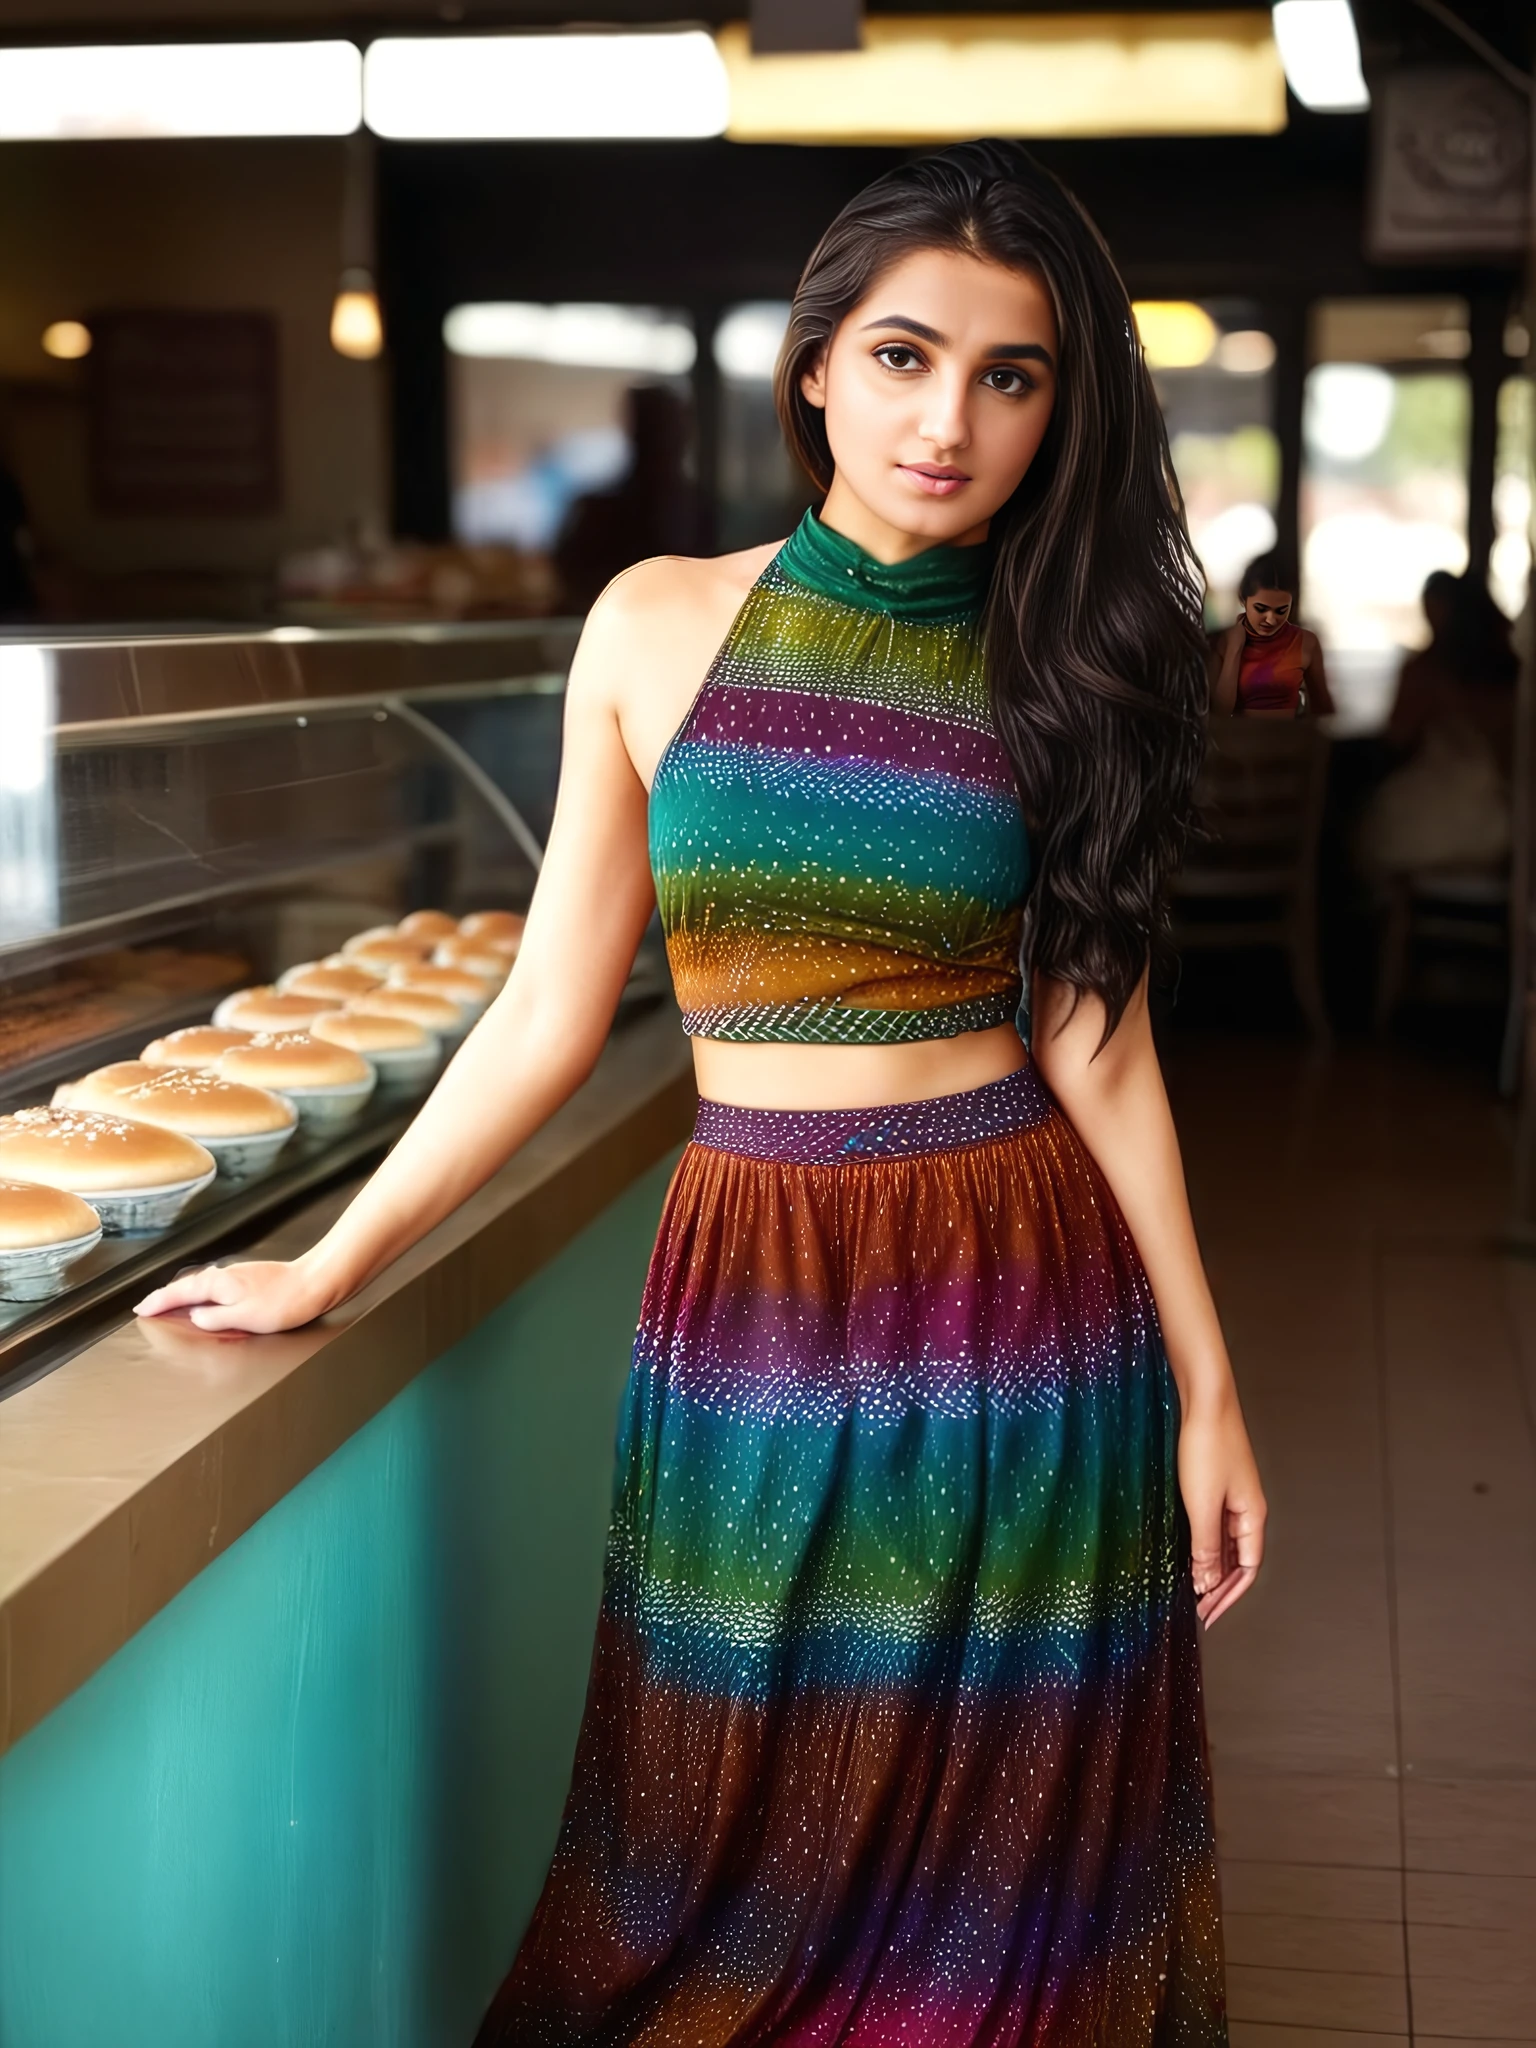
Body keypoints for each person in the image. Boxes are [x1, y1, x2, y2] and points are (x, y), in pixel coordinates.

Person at [138, 141, 1264, 2045]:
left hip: (1014, 1292)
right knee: (727, 1814)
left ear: (1059, 406)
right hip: (747, 1289)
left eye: (1012, 375)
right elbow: (547, 1010)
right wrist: (329, 1261)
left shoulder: (1070, 655)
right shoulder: (655, 622)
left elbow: (1103, 1040)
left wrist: (1211, 1388)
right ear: (814, 368)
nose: (950, 418)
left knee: (992, 1851)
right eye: (905, 357)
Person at [1356, 569, 1519, 875]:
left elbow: (1396, 736)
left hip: (1445, 820)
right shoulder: (1512, 673)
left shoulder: (1427, 672)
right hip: (1505, 821)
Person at [1210, 552, 1334, 717]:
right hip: (1239, 740)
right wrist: (1234, 648)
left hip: (1290, 740)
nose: (1271, 620)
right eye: (1261, 609)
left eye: (1281, 611)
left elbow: (1323, 709)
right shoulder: (1223, 641)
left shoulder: (1306, 642)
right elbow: (1218, 715)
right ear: (1243, 598)